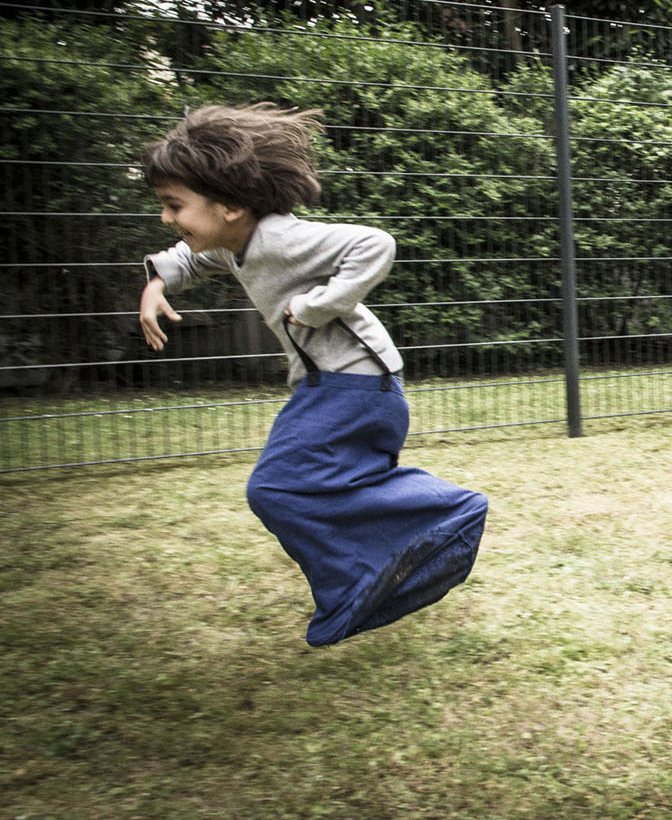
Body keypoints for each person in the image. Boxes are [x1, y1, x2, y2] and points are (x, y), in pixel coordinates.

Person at [138, 103, 488, 647]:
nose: (166, 218)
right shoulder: (234, 243)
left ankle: (439, 514)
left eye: (174, 205)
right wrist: (157, 282)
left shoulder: (281, 239)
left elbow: (375, 245)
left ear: (230, 205)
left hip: (355, 380)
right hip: (336, 381)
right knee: (307, 487)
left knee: (275, 487)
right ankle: (372, 573)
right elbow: (190, 257)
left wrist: (318, 306)